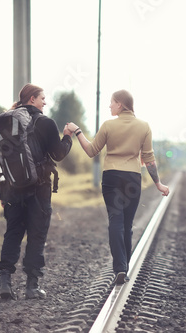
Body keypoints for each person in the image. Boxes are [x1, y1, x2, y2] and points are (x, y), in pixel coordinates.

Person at [66, 89, 169, 284]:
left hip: (112, 177)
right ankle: (124, 268)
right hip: (132, 178)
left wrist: (77, 131)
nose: (110, 106)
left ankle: (119, 267)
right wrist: (158, 183)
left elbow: (91, 150)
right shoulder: (144, 126)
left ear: (120, 104)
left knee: (115, 221)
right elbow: (149, 159)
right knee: (127, 225)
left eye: (112, 102)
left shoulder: (108, 126)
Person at [0, 83, 73, 300]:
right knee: (36, 235)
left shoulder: (5, 122)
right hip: (38, 189)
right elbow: (58, 154)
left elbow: (0, 162)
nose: (45, 102)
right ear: (32, 99)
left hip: (12, 189)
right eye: (42, 98)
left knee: (12, 233)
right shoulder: (45, 122)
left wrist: (3, 194)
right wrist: (67, 136)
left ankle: (5, 283)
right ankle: (32, 287)